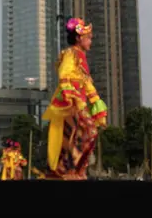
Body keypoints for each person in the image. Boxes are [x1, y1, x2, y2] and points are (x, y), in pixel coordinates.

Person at [43, 17, 107, 180]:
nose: (90, 41)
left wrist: (95, 102)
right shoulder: (71, 53)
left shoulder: (80, 56)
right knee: (89, 132)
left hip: (78, 101)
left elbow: (85, 81)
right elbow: (64, 73)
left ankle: (72, 171)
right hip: (71, 101)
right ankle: (69, 169)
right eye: (88, 38)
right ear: (79, 38)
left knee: (73, 136)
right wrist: (72, 97)